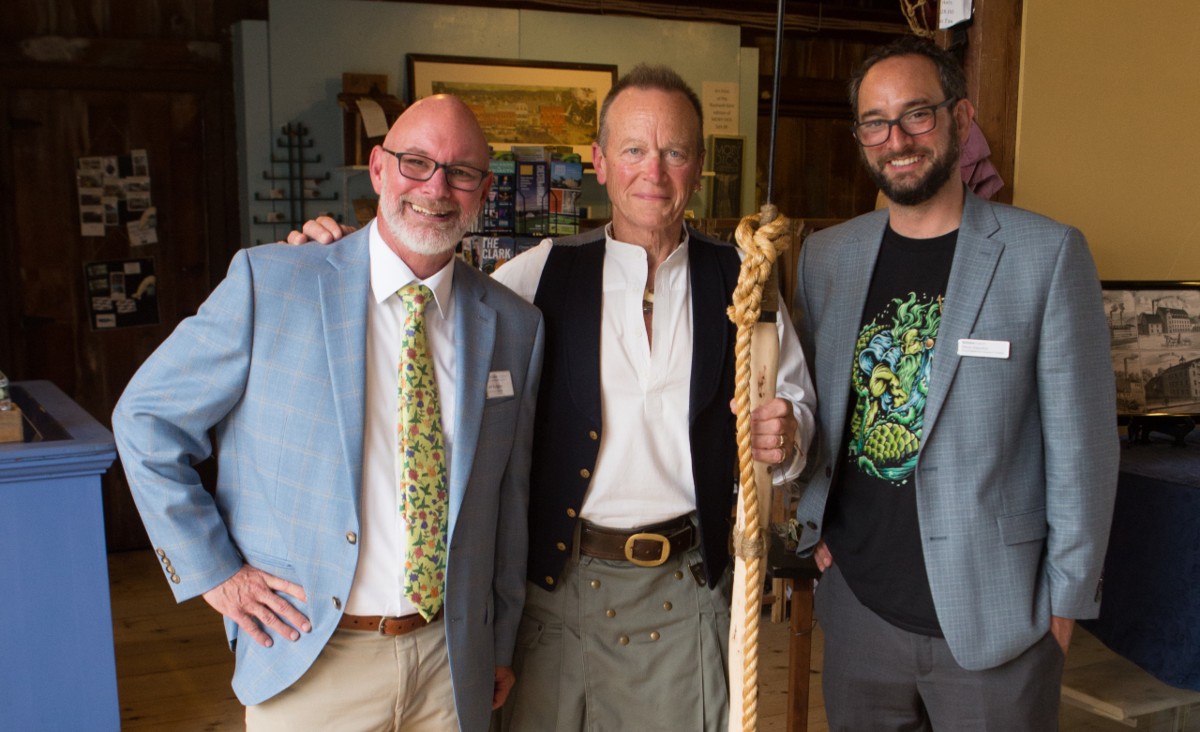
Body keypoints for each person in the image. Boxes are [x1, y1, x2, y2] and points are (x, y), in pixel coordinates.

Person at [294, 64, 817, 731]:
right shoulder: (534, 276)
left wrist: (790, 434)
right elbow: (421, 329)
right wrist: (340, 260)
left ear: (698, 165)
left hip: (690, 599)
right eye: (632, 149)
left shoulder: (745, 284)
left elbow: (795, 415)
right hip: (560, 598)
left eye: (673, 151)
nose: (651, 171)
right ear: (599, 162)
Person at [113, 94, 544, 732]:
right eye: (416, 162)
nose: (436, 187)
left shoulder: (512, 323)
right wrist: (216, 573)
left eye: (461, 172)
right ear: (377, 169)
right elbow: (146, 419)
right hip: (311, 657)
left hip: (449, 665)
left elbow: (509, 504)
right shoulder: (274, 282)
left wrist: (500, 640)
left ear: (483, 189)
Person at [790, 36, 1118, 730]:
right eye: (875, 123)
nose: (897, 139)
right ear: (859, 137)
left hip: (998, 621)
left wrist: (1065, 604)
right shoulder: (826, 258)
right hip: (858, 610)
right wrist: (816, 529)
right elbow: (816, 409)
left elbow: (1084, 451)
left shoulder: (1046, 255)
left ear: (961, 118)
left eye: (918, 114)